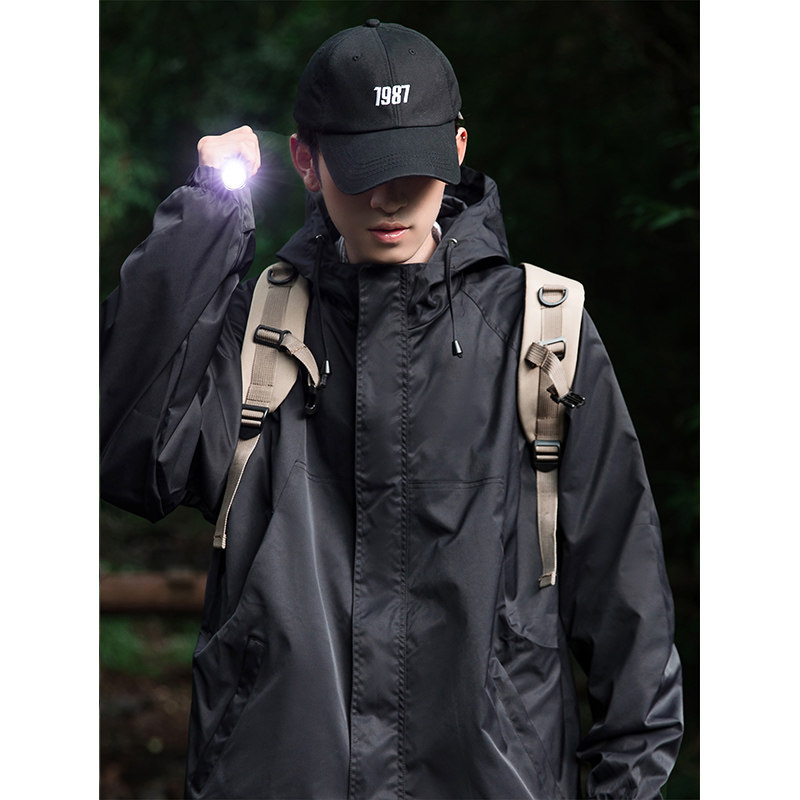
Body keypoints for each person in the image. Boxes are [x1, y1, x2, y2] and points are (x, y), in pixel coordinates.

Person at [100, 19, 683, 800]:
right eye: (364, 168)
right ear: (307, 161)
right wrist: (205, 218)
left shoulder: (544, 335)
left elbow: (628, 614)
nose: (390, 197)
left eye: (414, 168)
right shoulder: (262, 335)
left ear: (459, 150)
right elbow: (128, 453)